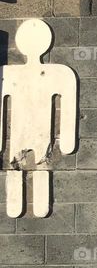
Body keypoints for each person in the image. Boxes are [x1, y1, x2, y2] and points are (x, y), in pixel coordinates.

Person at [1, 19, 78, 218]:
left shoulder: (10, 74)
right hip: (31, 132)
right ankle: (20, 205)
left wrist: (68, 139)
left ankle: (21, 205)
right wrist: (67, 141)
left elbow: (69, 98)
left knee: (25, 168)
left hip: (32, 133)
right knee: (27, 168)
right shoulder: (58, 73)